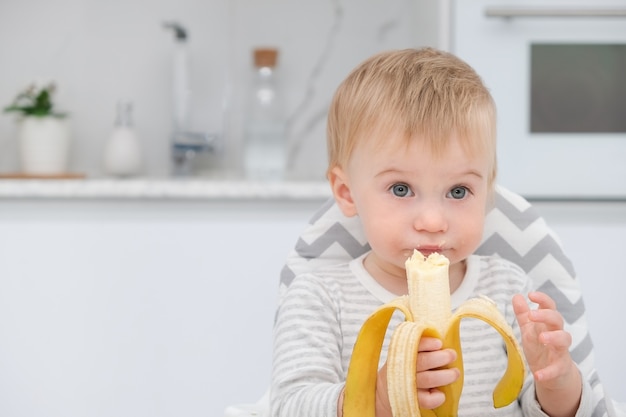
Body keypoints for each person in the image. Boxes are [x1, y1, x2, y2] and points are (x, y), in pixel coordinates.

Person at [271, 48, 592, 417]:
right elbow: (289, 407)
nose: (432, 220)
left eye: (458, 192)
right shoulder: (320, 297)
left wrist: (557, 383)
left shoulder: (508, 290)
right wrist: (373, 398)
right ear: (347, 193)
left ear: (487, 191)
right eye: (401, 189)